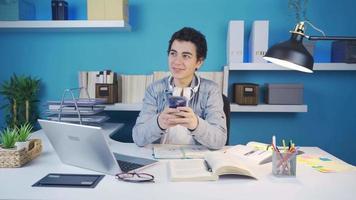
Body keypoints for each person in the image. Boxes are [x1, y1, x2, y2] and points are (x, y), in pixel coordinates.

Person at [132, 27, 227, 149]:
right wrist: (159, 123)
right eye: (173, 54)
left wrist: (196, 124)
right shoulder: (154, 90)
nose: (177, 62)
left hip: (196, 160)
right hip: (159, 159)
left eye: (186, 56)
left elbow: (219, 140)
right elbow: (138, 138)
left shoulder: (211, 90)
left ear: (199, 62)